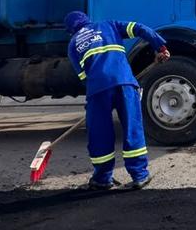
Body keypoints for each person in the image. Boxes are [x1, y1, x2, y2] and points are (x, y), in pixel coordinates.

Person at [64, 10, 170, 190]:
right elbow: (140, 28)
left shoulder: (73, 44)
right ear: (87, 20)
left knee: (100, 134)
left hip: (97, 89)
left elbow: (84, 77)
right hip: (125, 83)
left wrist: (94, 101)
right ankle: (140, 175)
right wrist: (160, 47)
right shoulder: (109, 25)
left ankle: (102, 179)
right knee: (132, 128)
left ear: (70, 30)